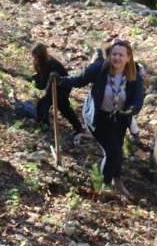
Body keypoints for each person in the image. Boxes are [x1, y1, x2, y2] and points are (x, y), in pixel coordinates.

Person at [60, 40, 145, 196]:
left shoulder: (134, 75)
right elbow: (79, 80)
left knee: (117, 151)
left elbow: (138, 98)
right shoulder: (99, 68)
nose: (117, 58)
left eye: (121, 55)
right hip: (98, 117)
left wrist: (132, 110)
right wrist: (61, 80)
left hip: (119, 118)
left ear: (128, 57)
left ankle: (117, 181)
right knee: (112, 152)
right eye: (114, 54)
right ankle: (99, 186)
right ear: (110, 55)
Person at [31, 44, 85, 146]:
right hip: (51, 87)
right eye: (34, 56)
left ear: (41, 55)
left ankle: (77, 127)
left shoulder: (52, 63)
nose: (35, 59)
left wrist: (54, 80)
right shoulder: (38, 64)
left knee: (61, 107)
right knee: (43, 104)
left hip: (62, 87)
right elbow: (42, 82)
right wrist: (36, 80)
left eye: (36, 56)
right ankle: (43, 125)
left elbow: (59, 78)